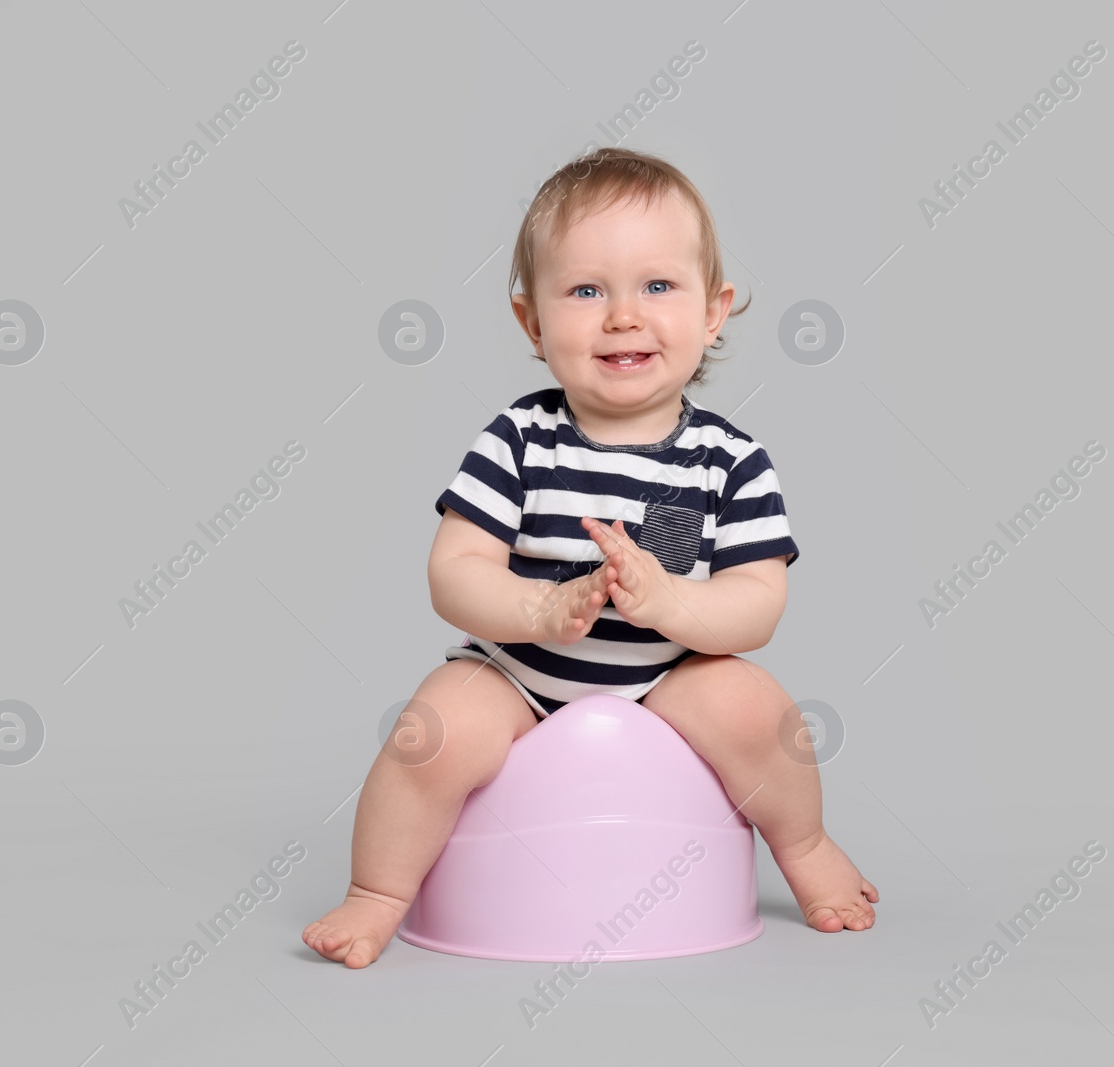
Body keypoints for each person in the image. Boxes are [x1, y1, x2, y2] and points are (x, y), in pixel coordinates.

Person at [303, 146, 877, 968]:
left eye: (657, 285)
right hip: (517, 671)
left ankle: (809, 846)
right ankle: (379, 893)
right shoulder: (519, 439)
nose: (622, 316)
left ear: (714, 310)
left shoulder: (728, 458)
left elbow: (759, 599)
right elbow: (454, 568)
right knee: (427, 736)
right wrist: (538, 611)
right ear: (532, 321)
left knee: (763, 717)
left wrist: (673, 606)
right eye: (584, 290)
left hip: (670, 672)